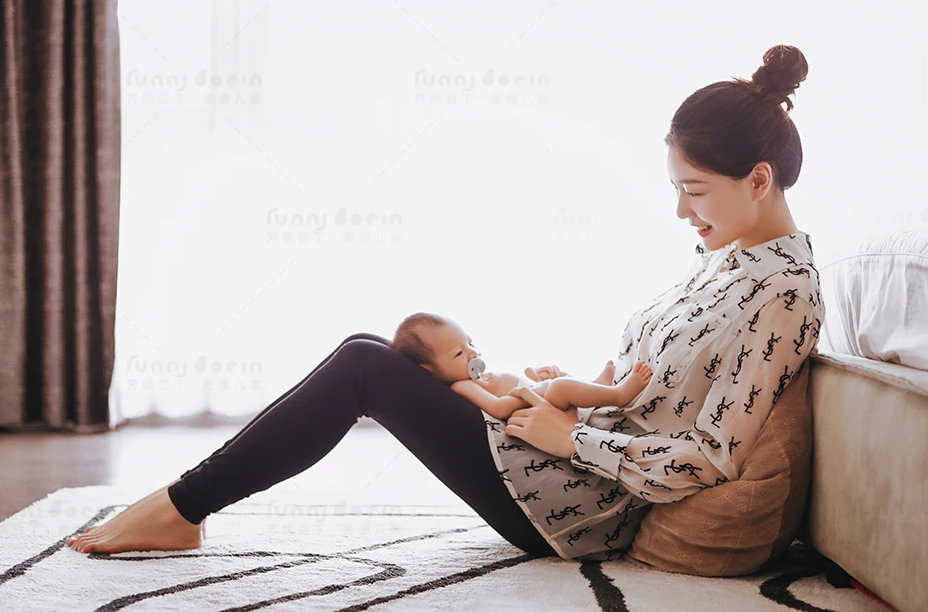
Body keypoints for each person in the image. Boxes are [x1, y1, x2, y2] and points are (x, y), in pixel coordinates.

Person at [67, 44, 824, 562]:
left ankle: (180, 509)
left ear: (758, 180)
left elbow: (711, 457)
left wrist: (573, 439)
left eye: (695, 192)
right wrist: (567, 391)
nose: (682, 212)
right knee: (371, 347)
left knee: (364, 367)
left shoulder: (783, 292)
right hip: (551, 453)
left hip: (576, 501)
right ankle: (184, 505)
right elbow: (652, 386)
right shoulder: (725, 261)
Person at [389, 311, 654, 420]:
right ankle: (619, 395)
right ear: (430, 371)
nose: (472, 352)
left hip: (537, 399)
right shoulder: (462, 386)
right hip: (535, 411)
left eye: (470, 343)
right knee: (560, 387)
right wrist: (535, 390)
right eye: (459, 353)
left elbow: (509, 385)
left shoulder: (476, 377)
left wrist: (533, 378)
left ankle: (594, 391)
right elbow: (499, 407)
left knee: (559, 379)